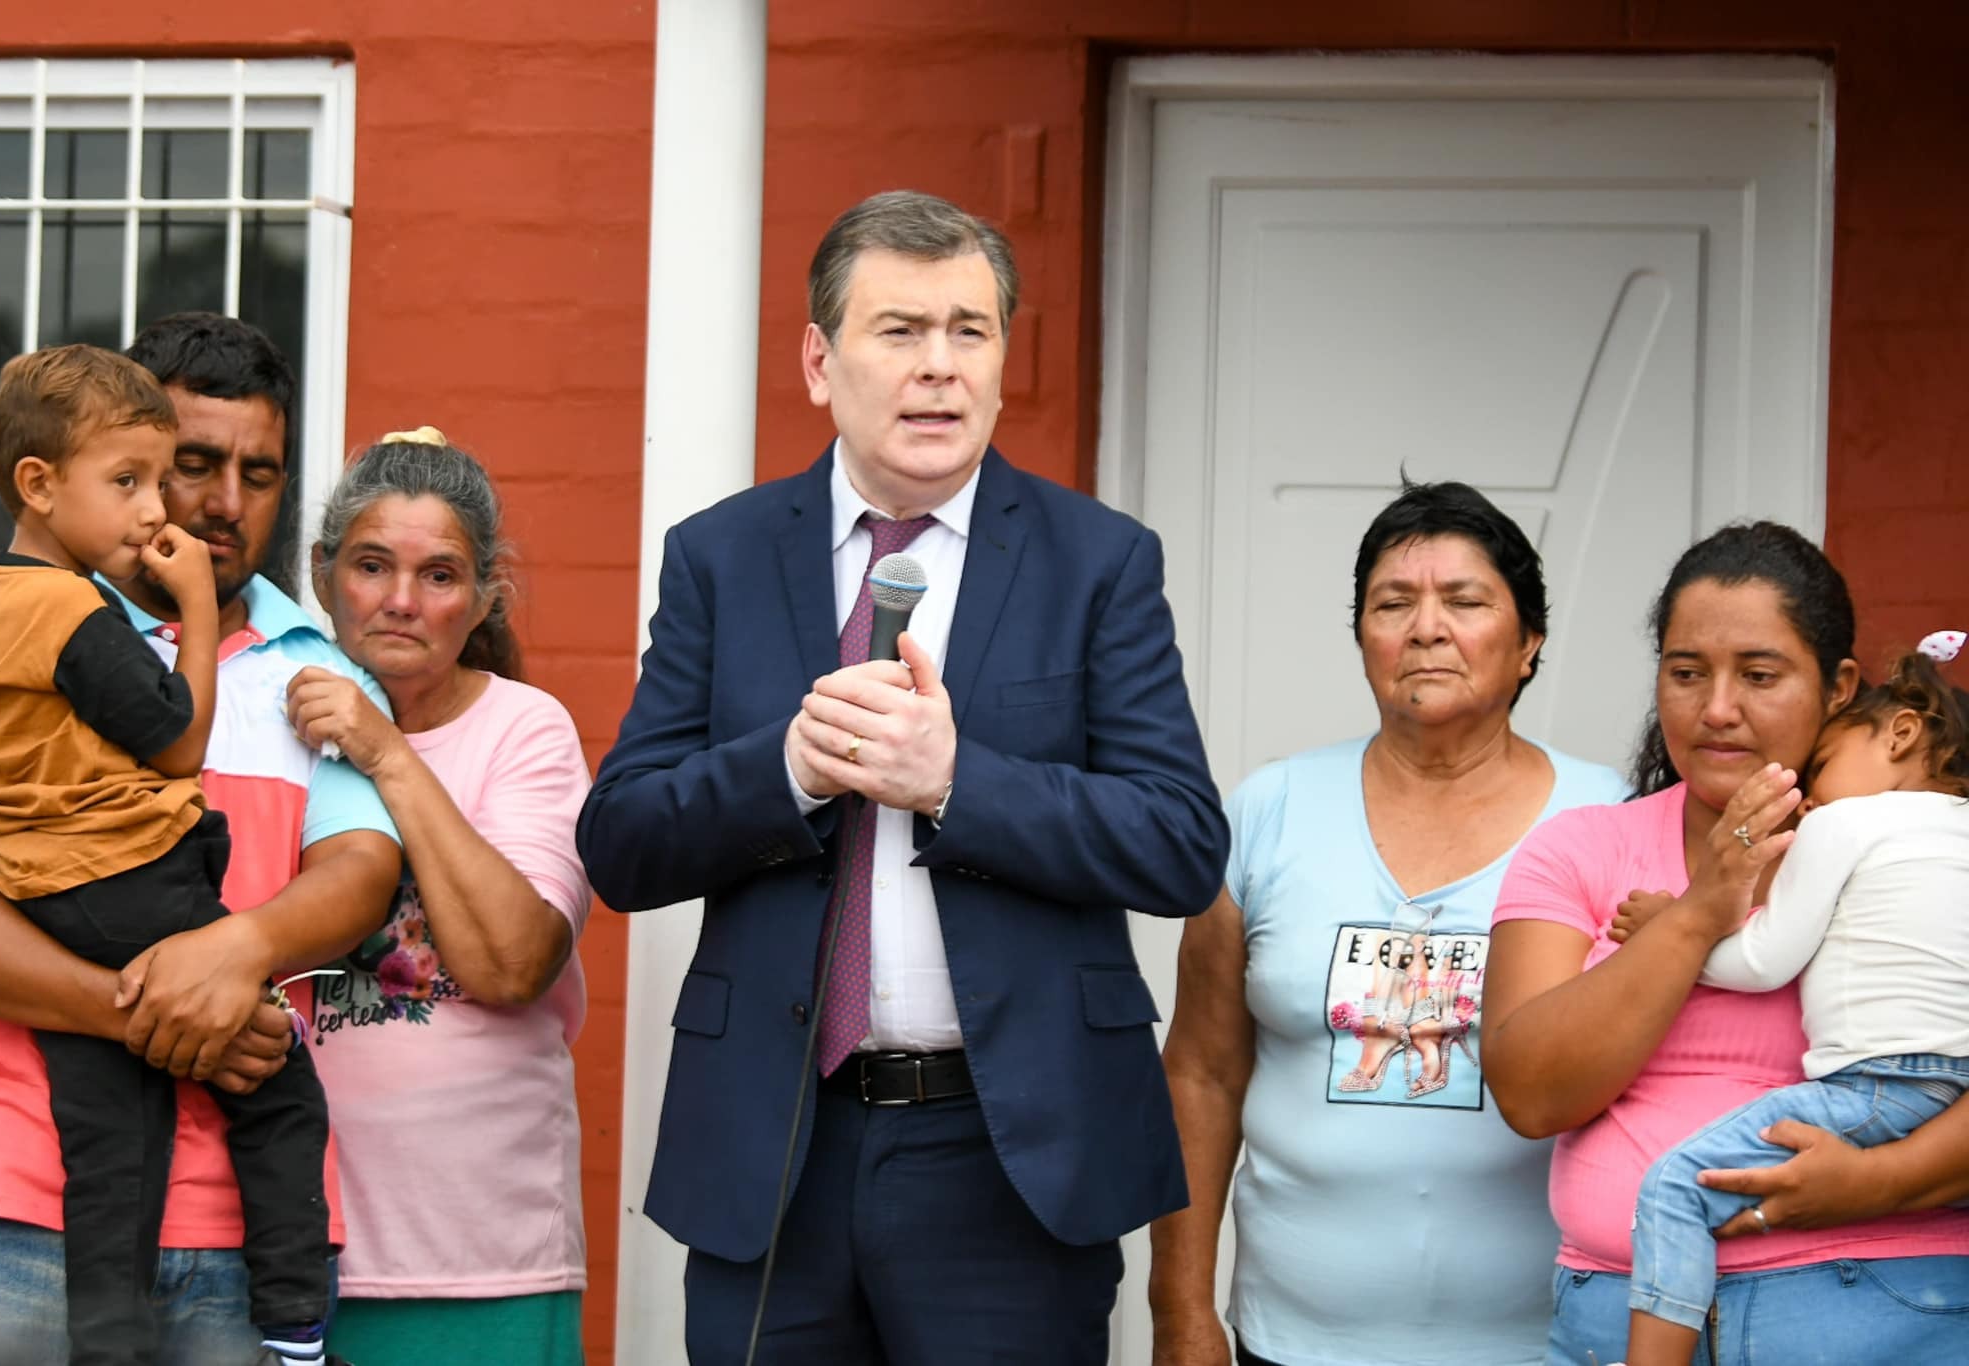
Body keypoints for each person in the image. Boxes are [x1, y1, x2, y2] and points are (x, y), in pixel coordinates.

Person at [580, 189, 1229, 1365]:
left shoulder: (1097, 561)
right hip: (776, 1143)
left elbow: (1177, 842)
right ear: (818, 362)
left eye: (968, 331)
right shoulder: (720, 556)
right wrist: (787, 770)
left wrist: (953, 781)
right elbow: (620, 842)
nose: (939, 366)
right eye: (900, 330)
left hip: (1009, 1153)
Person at [0, 313, 401, 1366]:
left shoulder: (321, 668)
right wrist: (163, 1013)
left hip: (245, 1233)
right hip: (15, 1205)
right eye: (186, 466)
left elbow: (361, 876)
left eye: (258, 473)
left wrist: (232, 955)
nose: (223, 502)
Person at [1148, 481, 1629, 1366]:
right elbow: (1202, 1074)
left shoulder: (1613, 821)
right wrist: (1180, 1313)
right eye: (1393, 603)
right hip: (1292, 1340)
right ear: (1363, 637)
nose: (1426, 628)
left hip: (1550, 1341)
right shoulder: (1268, 811)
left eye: (1466, 602)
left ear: (1530, 641)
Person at [1482, 522, 1969, 1366]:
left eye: (1759, 674)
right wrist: (1699, 911)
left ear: (1838, 686)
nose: (1716, 708)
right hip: (1614, 1317)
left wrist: (1873, 1184)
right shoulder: (1581, 848)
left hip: (1880, 1315)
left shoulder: (1924, 851)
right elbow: (1531, 1094)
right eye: (1686, 673)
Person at [277, 427, 593, 1366]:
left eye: (440, 576)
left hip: (481, 1254)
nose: (402, 602)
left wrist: (384, 751)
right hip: (277, 1244)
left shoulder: (523, 729)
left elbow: (512, 964)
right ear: (324, 572)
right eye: (372, 565)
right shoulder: (259, 711)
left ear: (485, 596)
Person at [1611, 641, 1969, 1366]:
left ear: (1900, 734)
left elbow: (1765, 961)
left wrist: (1670, 931)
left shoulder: (1845, 822)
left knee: (1677, 1187)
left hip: (1876, 1085)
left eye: (1822, 763)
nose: (1807, 796)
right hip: (1954, 1098)